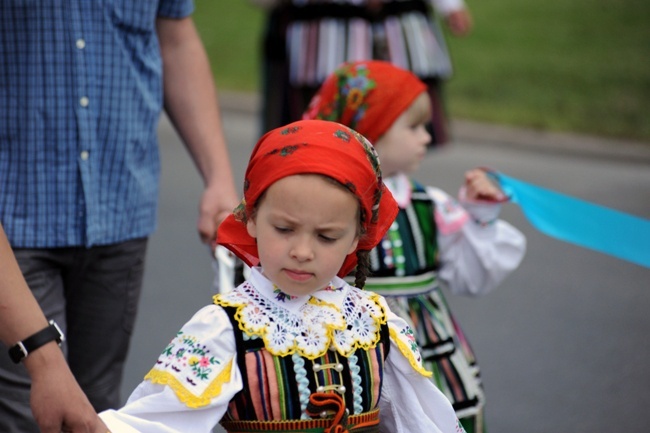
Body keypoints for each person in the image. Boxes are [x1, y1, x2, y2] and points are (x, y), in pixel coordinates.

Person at [99, 119, 466, 433]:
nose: (302, 251)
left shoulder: (375, 323)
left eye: (326, 236)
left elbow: (421, 421)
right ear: (253, 218)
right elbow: (154, 422)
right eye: (285, 229)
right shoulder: (225, 329)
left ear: (357, 237)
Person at [0, 2, 239, 431]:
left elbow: (176, 36)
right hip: (14, 222)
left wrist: (219, 176)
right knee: (32, 414)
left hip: (120, 210)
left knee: (99, 413)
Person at [303, 60, 526, 433]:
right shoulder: (324, 205)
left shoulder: (429, 205)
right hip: (352, 353)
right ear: (365, 133)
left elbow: (473, 277)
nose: (427, 136)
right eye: (414, 127)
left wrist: (481, 218)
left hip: (428, 355)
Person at [252, 0, 473, 145]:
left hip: (392, 32)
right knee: (317, 136)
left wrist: (449, 5)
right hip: (322, 37)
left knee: (397, 131)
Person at [0, 223, 107, 433]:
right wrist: (45, 363)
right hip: (15, 237)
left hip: (120, 225)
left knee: (100, 408)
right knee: (30, 418)